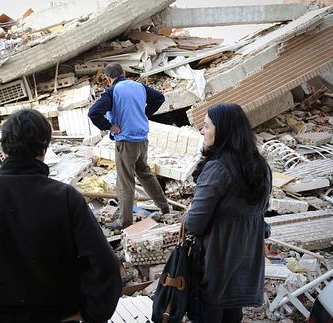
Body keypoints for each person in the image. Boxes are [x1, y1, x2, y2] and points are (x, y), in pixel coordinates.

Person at [0, 109, 122, 323]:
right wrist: (89, 314)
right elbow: (106, 267)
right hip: (58, 316)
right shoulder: (66, 198)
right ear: (44, 147)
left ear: (4, 147)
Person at [184, 103, 271, 323]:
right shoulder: (261, 167)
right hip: (245, 265)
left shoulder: (217, 169)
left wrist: (187, 215)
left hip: (216, 265)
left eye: (206, 126)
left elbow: (194, 224)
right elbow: (260, 215)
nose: (202, 131)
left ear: (223, 130)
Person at [88, 62, 170, 230]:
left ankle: (125, 221)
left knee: (125, 181)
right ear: (123, 72)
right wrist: (144, 114)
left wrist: (108, 126)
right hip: (142, 139)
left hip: (126, 142)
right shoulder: (138, 86)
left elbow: (93, 112)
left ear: (108, 78)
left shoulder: (112, 91)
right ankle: (164, 207)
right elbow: (159, 98)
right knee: (145, 174)